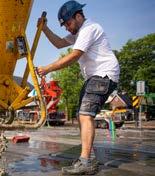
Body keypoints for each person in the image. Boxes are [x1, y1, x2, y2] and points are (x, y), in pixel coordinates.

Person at [37, 1, 120, 175]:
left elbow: (74, 56)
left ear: (79, 16)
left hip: (103, 75)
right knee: (81, 115)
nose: (67, 28)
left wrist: (48, 68)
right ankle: (87, 157)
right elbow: (59, 43)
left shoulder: (89, 28)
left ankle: (86, 161)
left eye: (68, 23)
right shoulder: (79, 32)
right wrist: (44, 29)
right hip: (94, 77)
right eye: (65, 25)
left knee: (85, 114)